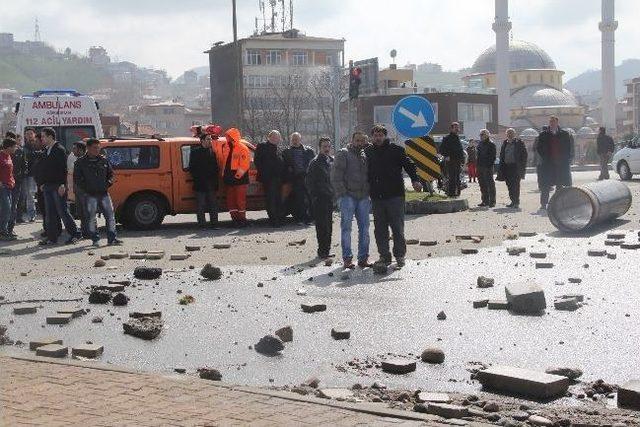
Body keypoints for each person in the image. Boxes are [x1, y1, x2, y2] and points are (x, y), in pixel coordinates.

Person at [366, 124, 421, 268]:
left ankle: (400, 256)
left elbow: (409, 165)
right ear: (372, 137)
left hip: (395, 195)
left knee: (397, 228)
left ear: (385, 136)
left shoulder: (396, 150)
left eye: (380, 135)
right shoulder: (368, 152)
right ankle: (384, 256)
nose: (378, 138)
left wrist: (415, 180)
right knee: (380, 229)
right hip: (377, 197)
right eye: (375, 136)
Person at [331, 131, 371, 269]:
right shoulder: (343, 153)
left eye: (362, 141)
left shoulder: (365, 155)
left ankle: (363, 258)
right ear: (352, 140)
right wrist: (342, 195)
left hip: (364, 197)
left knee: (365, 229)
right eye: (357, 140)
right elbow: (336, 175)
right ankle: (347, 258)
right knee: (346, 228)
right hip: (348, 196)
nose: (359, 143)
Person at [73, 138, 122, 246]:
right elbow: (77, 179)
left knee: (110, 216)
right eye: (95, 148)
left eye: (98, 148)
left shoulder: (103, 160)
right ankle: (95, 239)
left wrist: (107, 184)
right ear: (88, 148)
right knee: (91, 218)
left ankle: (112, 238)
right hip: (90, 195)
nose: (97, 150)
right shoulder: (80, 162)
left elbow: (111, 175)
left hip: (104, 193)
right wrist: (87, 188)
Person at [38, 127, 80, 245]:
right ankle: (52, 237)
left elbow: (63, 169)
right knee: (50, 213)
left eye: (43, 136)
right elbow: (44, 169)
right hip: (47, 186)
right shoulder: (46, 150)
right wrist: (42, 183)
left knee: (62, 211)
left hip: (58, 185)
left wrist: (62, 184)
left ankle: (75, 233)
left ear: (50, 136)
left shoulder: (59, 149)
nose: (42, 139)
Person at [537, 116, 574, 212]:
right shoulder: (543, 135)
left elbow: (569, 148)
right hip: (548, 164)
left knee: (560, 184)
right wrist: (545, 157)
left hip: (561, 164)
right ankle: (544, 204)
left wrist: (567, 159)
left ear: (557, 123)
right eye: (550, 122)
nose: (552, 123)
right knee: (546, 185)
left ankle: (559, 203)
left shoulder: (565, 134)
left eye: (554, 122)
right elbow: (539, 148)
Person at [306, 137, 334, 261]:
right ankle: (322, 251)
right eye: (324, 146)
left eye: (328, 146)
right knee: (322, 226)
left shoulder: (332, 160)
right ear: (320, 148)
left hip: (330, 198)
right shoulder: (315, 162)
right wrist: (315, 196)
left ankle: (326, 250)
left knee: (328, 225)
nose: (327, 149)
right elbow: (309, 182)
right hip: (320, 198)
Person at [215, 127, 250, 227]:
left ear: (233, 137)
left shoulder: (242, 148)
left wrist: (237, 176)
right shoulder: (226, 147)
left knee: (240, 200)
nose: (227, 138)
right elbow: (221, 158)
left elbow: (244, 164)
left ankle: (242, 220)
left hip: (239, 179)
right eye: (227, 136)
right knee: (231, 200)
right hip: (229, 178)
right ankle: (235, 218)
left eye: (228, 136)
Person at [187, 133, 219, 228]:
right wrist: (198, 178)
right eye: (208, 139)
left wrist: (215, 182)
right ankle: (202, 225)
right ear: (202, 141)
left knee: (213, 205)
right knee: (201, 205)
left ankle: (214, 224)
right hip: (200, 184)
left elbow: (215, 168)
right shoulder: (195, 152)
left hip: (211, 184)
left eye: (210, 139)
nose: (210, 141)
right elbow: (192, 168)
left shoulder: (212, 152)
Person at [254, 130, 286, 227]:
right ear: (270, 137)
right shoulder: (262, 146)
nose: (277, 139)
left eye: (278, 137)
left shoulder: (279, 148)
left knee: (278, 199)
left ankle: (279, 218)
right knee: (271, 199)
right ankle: (273, 219)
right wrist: (264, 173)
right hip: (268, 178)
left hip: (278, 178)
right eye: (275, 137)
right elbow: (257, 161)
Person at [283, 132, 315, 224]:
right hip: (295, 179)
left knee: (310, 198)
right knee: (299, 199)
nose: (295, 141)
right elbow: (284, 166)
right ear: (291, 140)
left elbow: (313, 164)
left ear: (300, 140)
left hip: (308, 178)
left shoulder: (309, 151)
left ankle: (311, 218)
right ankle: (300, 219)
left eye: (296, 139)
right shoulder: (286, 152)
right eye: (293, 139)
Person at [497, 128, 528, 209]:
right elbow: (502, 155)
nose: (509, 134)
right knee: (509, 185)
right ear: (506, 134)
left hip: (515, 167)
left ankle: (516, 202)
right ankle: (512, 201)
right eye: (508, 133)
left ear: (514, 134)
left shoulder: (519, 142)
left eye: (511, 133)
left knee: (516, 185)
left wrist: (522, 164)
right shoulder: (504, 143)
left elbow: (524, 154)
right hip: (507, 167)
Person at [68, 140, 90, 238]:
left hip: (86, 191)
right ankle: (85, 231)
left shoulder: (88, 161)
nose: (73, 151)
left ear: (81, 150)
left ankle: (90, 232)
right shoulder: (77, 161)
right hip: (78, 190)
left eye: (75, 149)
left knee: (87, 212)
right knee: (81, 212)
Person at [439, 122, 465, 197]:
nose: (457, 129)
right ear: (451, 128)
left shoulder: (457, 137)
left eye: (458, 127)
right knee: (452, 178)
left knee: (457, 178)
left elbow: (460, 150)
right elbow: (441, 149)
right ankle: (451, 193)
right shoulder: (447, 138)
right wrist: (446, 155)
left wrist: (462, 160)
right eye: (455, 127)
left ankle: (457, 193)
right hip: (450, 161)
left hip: (458, 161)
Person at [0, 138, 18, 241]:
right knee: (6, 209)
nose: (16, 148)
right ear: (8, 147)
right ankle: (2, 231)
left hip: (10, 186)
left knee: (9, 209)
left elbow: (9, 171)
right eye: (14, 146)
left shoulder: (9, 155)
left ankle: (5, 230)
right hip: (3, 187)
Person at [476, 129, 497, 207]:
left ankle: (492, 201)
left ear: (487, 135)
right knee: (482, 184)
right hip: (480, 166)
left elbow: (493, 157)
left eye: (482, 134)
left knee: (490, 184)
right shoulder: (480, 144)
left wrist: (488, 165)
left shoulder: (491, 144)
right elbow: (478, 156)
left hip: (488, 167)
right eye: (480, 135)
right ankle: (485, 201)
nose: (481, 136)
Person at [21, 127, 37, 222]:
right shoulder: (24, 148)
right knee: (29, 195)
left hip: (40, 174)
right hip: (29, 175)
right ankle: (32, 214)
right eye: (27, 134)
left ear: (34, 134)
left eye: (31, 133)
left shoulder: (38, 145)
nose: (29, 135)